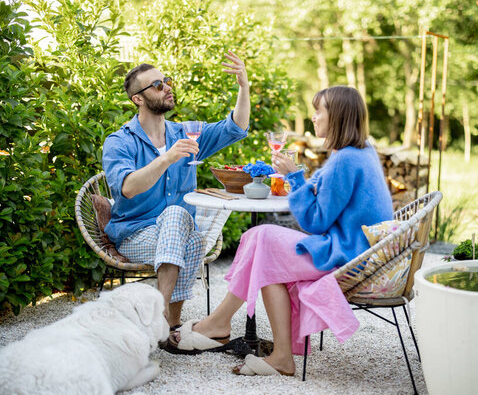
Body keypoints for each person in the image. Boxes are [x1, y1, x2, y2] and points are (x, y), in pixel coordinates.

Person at [166, 85, 393, 377]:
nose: (313, 117)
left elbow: (316, 221)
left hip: (349, 256)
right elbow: (331, 199)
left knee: (263, 239)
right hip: (356, 249)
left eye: (318, 110)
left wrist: (295, 178)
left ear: (336, 116)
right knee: (260, 242)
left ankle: (221, 325)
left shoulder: (347, 160)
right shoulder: (360, 152)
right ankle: (263, 346)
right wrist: (303, 182)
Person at [102, 51, 249, 330]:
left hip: (176, 235)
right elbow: (127, 189)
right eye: (158, 85)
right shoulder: (119, 141)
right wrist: (167, 158)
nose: (167, 87)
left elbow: (235, 128)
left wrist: (244, 86)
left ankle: (170, 323)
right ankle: (161, 319)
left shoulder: (185, 133)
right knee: (177, 218)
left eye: (166, 81)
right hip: (135, 234)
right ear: (138, 99)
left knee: (191, 238)